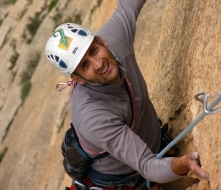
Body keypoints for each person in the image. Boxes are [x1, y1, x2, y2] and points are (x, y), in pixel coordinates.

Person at [45, 0, 209, 189]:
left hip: (155, 147)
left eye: (94, 50)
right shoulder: (92, 116)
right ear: (77, 79)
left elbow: (128, 5)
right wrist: (185, 163)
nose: (98, 64)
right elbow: (147, 165)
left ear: (101, 41)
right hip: (128, 176)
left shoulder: (115, 41)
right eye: (84, 65)